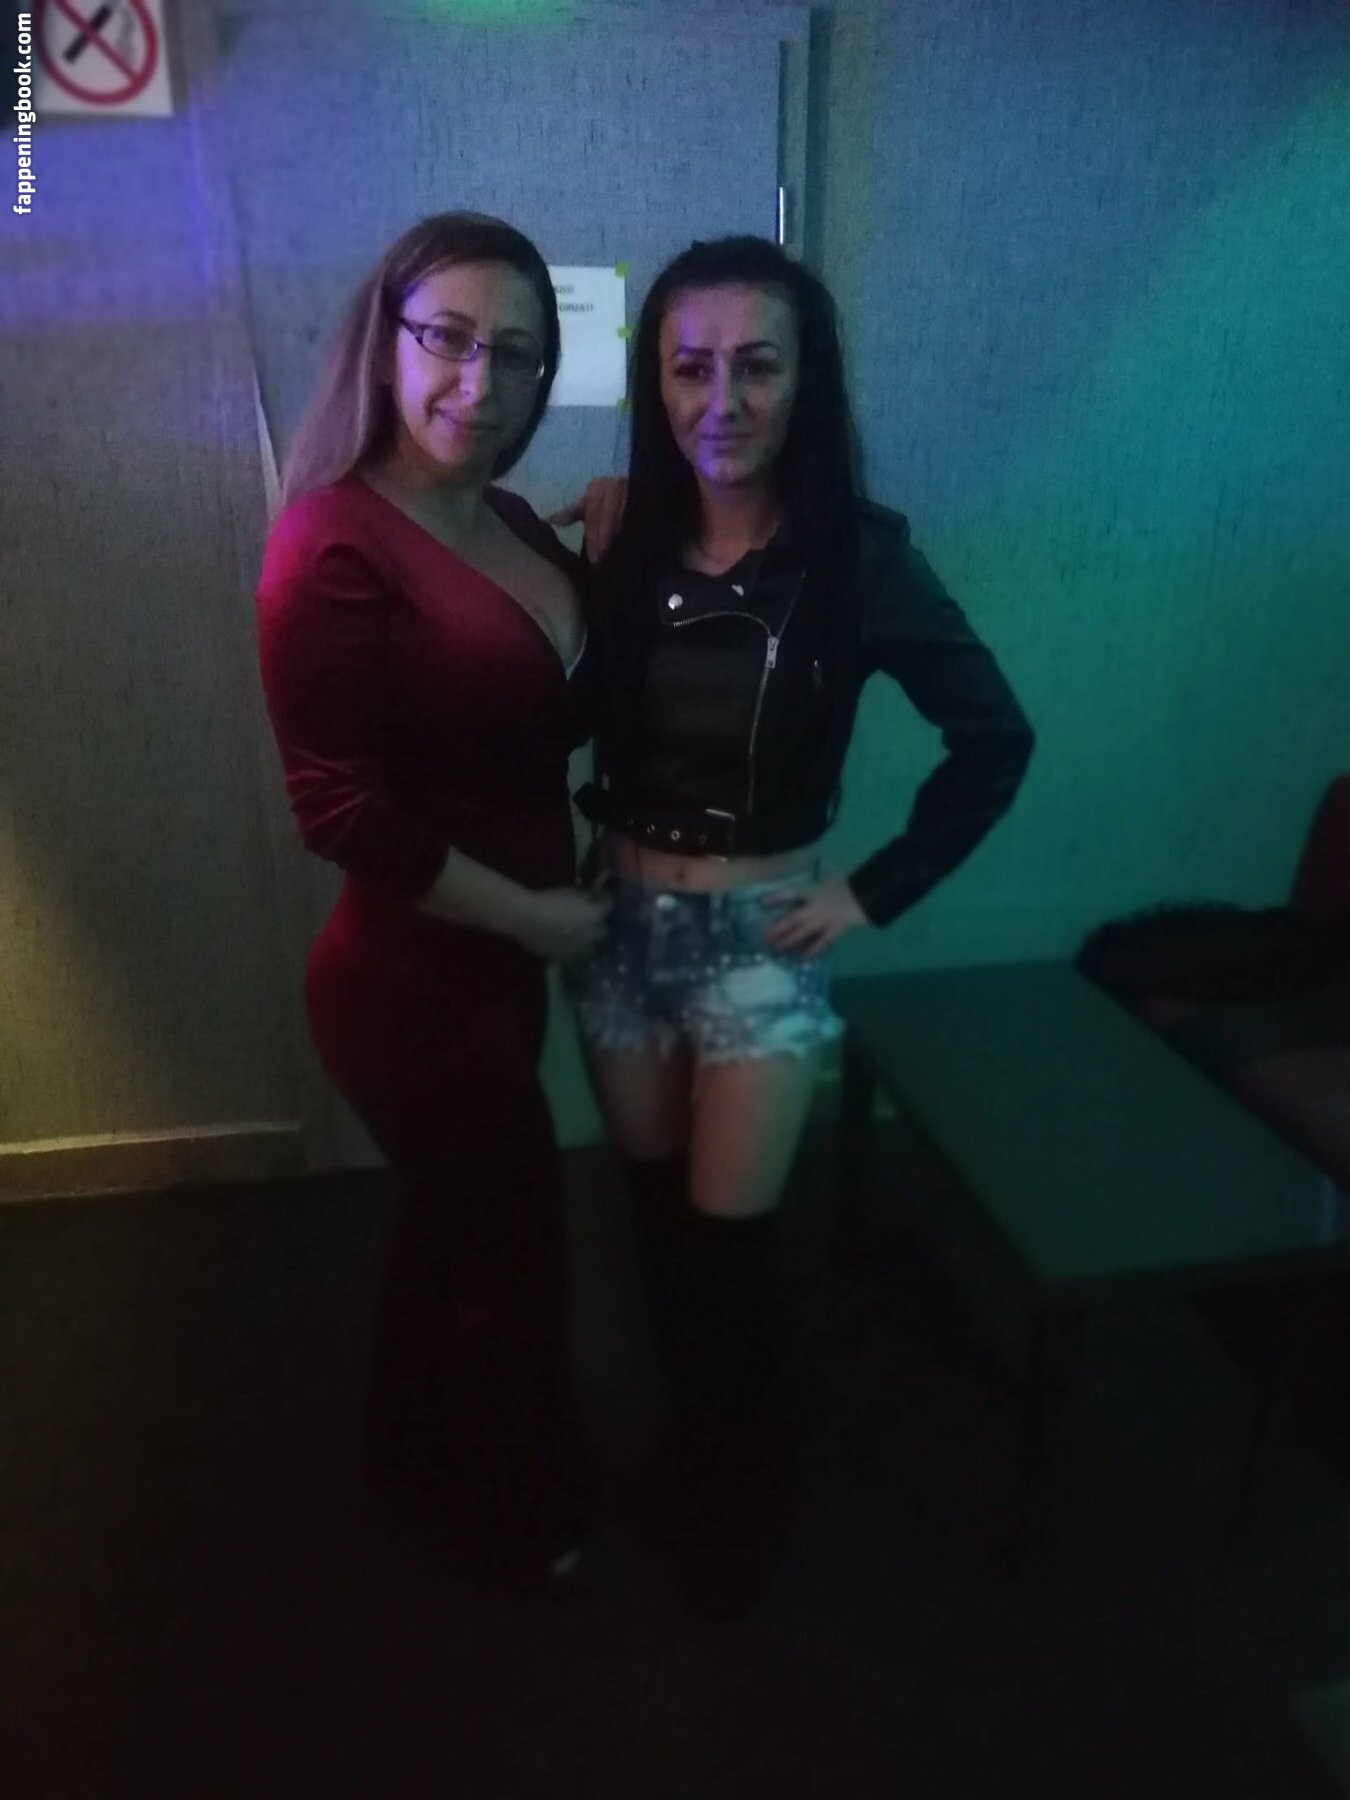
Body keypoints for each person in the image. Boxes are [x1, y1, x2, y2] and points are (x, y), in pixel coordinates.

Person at [559, 235, 1035, 1616]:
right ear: (655, 383)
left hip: (757, 945)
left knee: (729, 1245)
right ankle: (686, 1451)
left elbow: (993, 740)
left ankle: (738, 1502)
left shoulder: (857, 560)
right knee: (653, 1224)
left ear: (804, 382)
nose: (721, 401)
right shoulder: (618, 541)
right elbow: (547, 706)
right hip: (615, 927)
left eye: (757, 367)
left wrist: (867, 891)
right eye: (689, 367)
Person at [255, 213, 611, 1591]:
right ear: (388, 342)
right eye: (450, 339)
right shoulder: (330, 545)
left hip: (496, 973)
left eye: (516, 353)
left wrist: (615, 532)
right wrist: (537, 919)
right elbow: (337, 812)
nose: (481, 380)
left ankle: (404, 1452)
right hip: (406, 988)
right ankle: (519, 1522)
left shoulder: (509, 519)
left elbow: (539, 704)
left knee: (448, 1229)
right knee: (513, 1250)